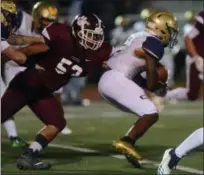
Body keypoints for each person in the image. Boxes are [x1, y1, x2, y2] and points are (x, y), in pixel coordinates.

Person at [1, 1, 112, 170]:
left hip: (43, 92)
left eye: (95, 36)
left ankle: (30, 154)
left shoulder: (98, 52)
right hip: (27, 84)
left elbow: (111, 59)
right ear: (77, 31)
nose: (92, 39)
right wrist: (18, 53)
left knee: (57, 122)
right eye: (89, 34)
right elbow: (35, 47)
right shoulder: (61, 35)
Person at [98, 11, 178, 168]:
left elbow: (133, 73)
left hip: (108, 80)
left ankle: (128, 143)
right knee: (151, 113)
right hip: (118, 80)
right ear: (161, 29)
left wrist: (151, 86)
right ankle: (127, 141)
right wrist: (157, 86)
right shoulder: (154, 43)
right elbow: (150, 79)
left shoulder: (138, 35)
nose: (171, 35)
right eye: (170, 31)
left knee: (145, 113)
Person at [4, 5, 72, 135]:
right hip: (12, 61)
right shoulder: (20, 19)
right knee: (7, 97)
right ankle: (13, 134)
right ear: (36, 16)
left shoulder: (54, 30)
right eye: (45, 19)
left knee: (57, 86)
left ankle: (57, 118)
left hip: (34, 62)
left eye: (51, 20)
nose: (48, 23)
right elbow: (9, 39)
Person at [166, 11, 204, 101]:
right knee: (191, 94)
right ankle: (165, 96)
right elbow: (188, 38)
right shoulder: (199, 26)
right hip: (197, 58)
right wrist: (195, 57)